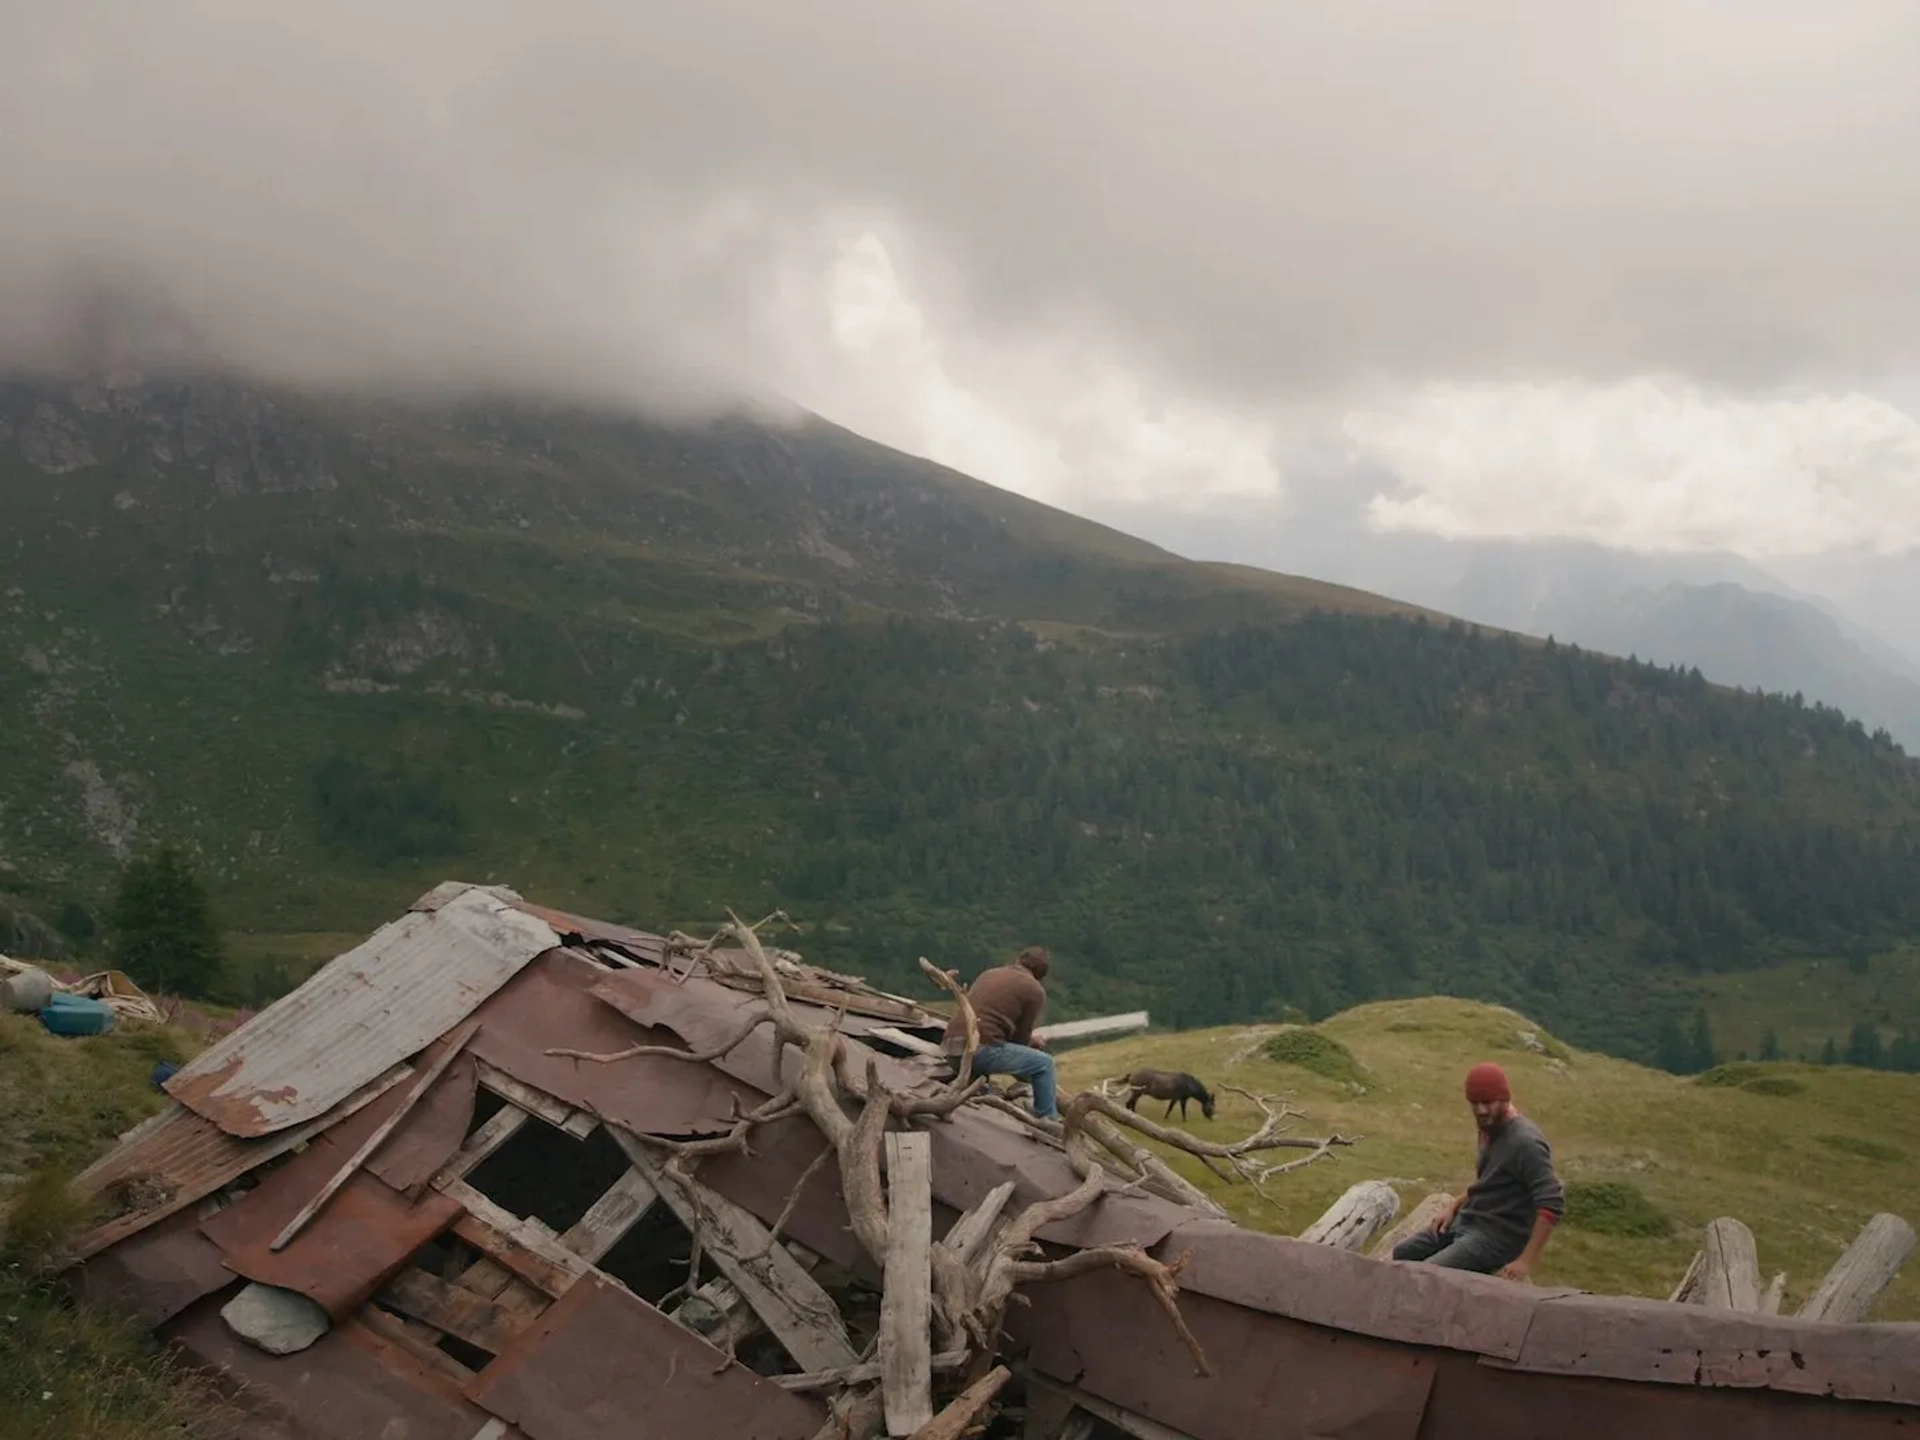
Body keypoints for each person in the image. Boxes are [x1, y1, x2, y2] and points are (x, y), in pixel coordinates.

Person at [1392, 1061, 1564, 1280]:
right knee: (1402, 1254)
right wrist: (1454, 1206)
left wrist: (1524, 1261)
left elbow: (1552, 1205)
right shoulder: (1489, 1127)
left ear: (1505, 1099)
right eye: (1475, 1103)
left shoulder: (1526, 1143)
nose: (1481, 1110)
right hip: (1469, 1219)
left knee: (1426, 1277)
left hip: (1495, 1237)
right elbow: (1490, 1180)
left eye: (1488, 1102)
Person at [943, 946, 1060, 1120]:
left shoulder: (989, 974)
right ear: (1041, 975)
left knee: (986, 1083)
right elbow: (1020, 1040)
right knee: (1045, 1064)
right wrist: (1033, 1044)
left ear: (1018, 960)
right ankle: (1049, 1121)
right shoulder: (1034, 990)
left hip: (951, 1047)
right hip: (978, 1050)